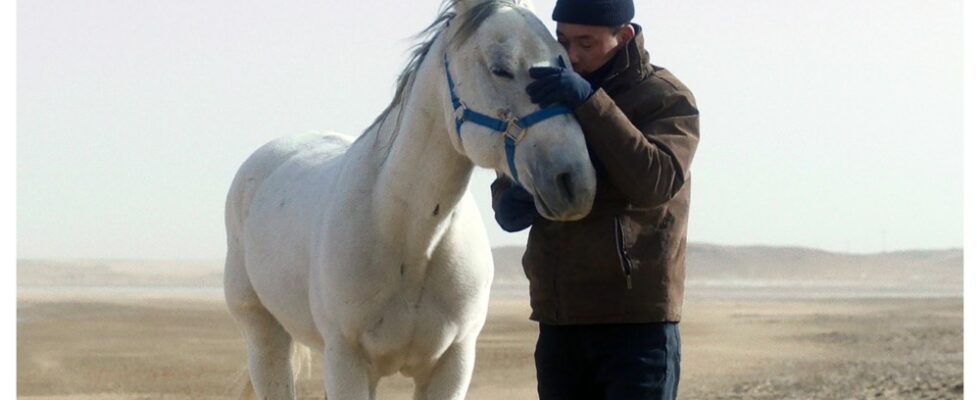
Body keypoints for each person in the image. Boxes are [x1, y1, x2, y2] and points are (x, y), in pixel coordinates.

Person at [490, 0, 700, 398]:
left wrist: (590, 104)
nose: (572, 55)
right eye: (564, 40)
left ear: (623, 36)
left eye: (586, 42)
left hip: (636, 323)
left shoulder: (665, 98)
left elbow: (655, 180)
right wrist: (508, 196)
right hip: (560, 321)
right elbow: (513, 160)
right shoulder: (545, 94)